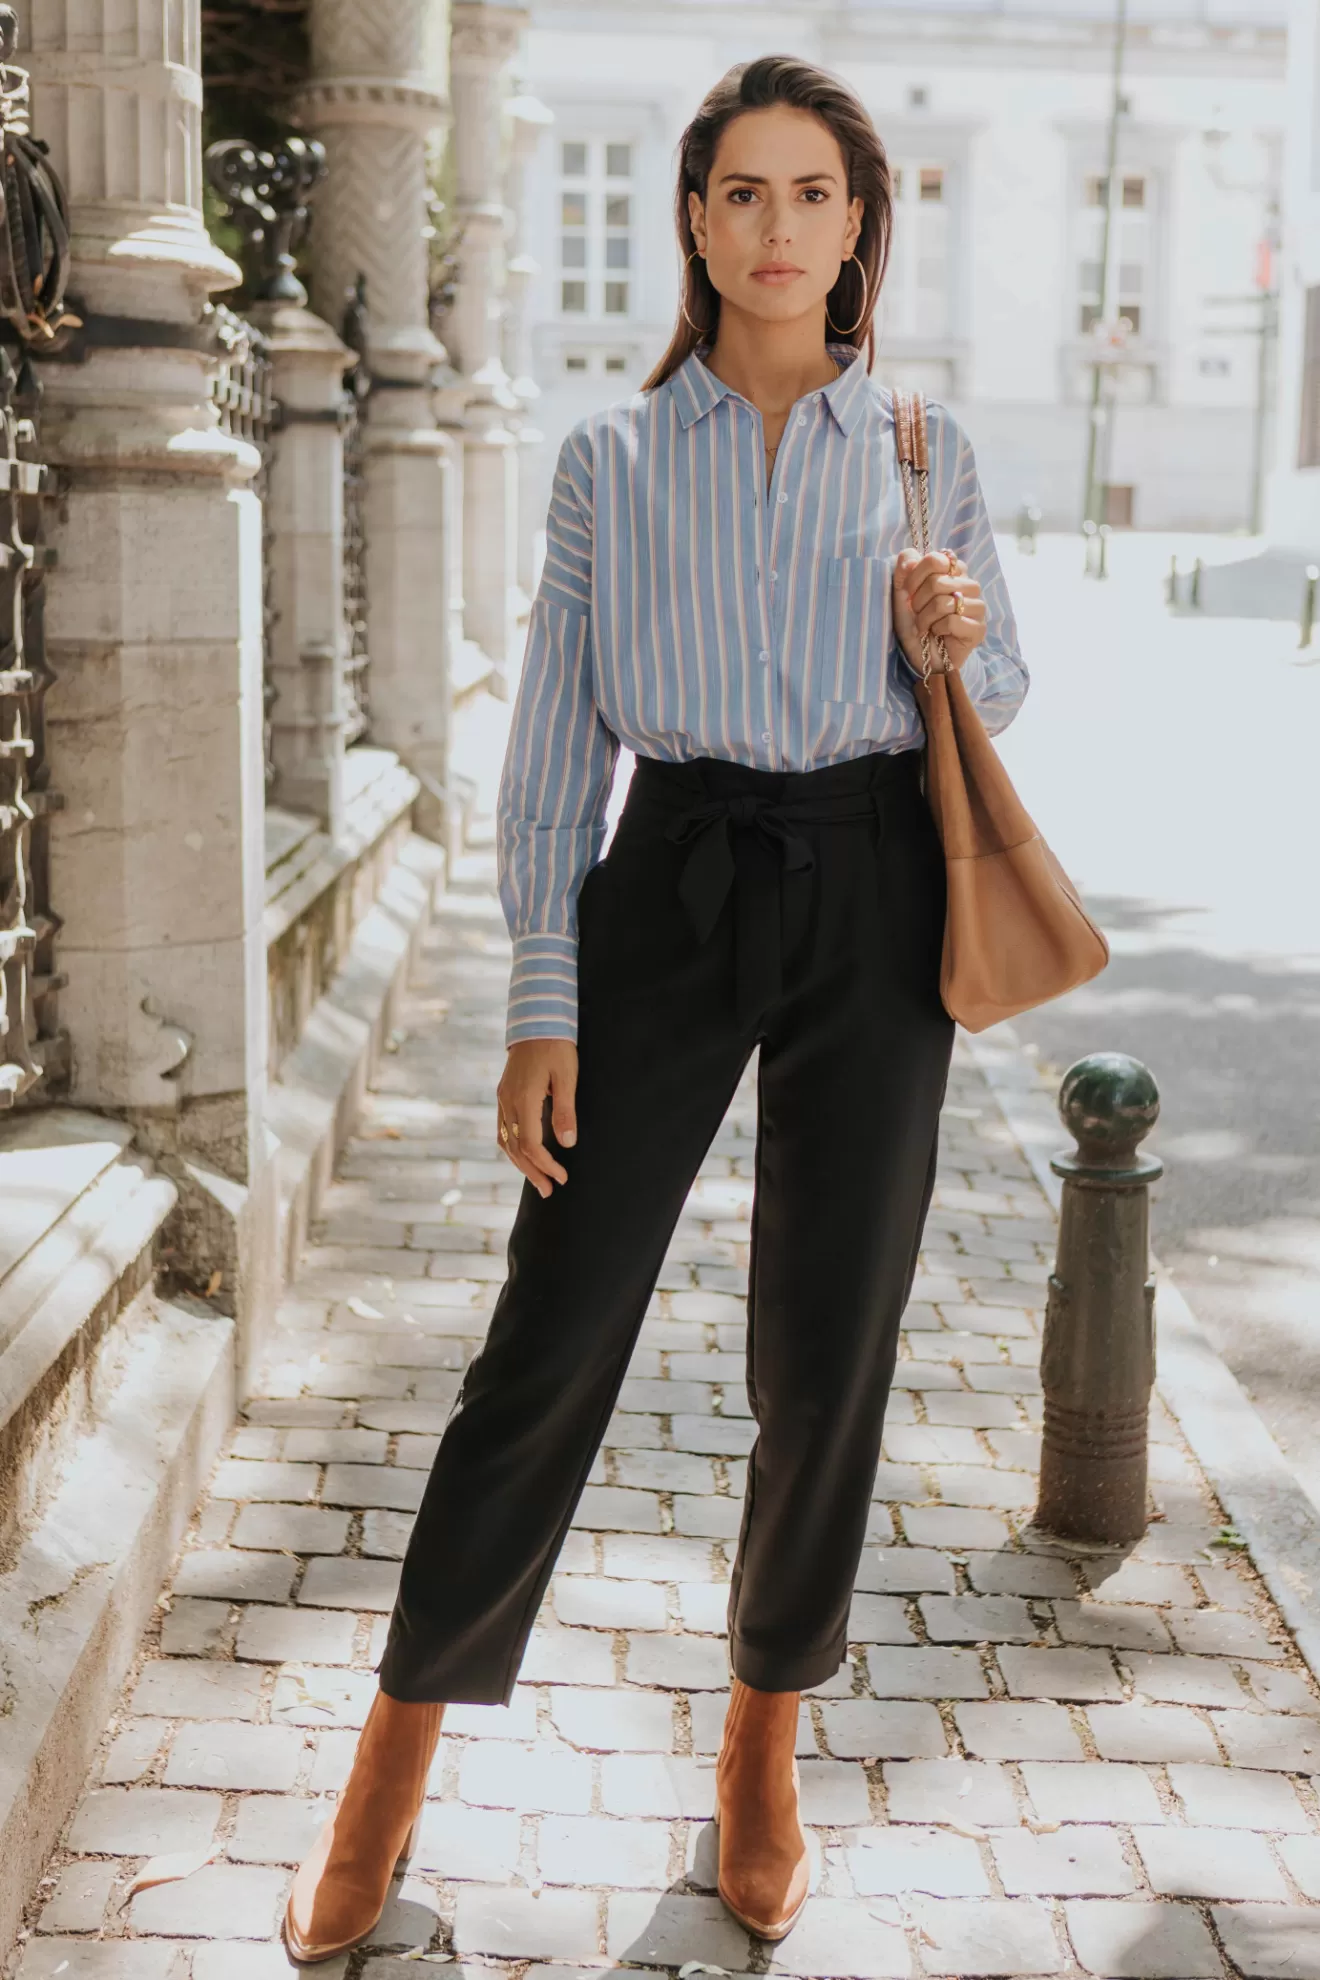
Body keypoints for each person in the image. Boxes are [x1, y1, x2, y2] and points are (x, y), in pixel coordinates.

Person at [284, 52, 1027, 1963]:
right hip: (670, 887)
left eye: (813, 193)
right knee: (554, 1326)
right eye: (741, 193)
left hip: (871, 889)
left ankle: (761, 1747)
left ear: (861, 221)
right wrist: (546, 1001)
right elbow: (553, 758)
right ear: (694, 221)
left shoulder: (926, 447)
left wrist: (952, 639)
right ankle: (390, 1758)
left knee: (827, 1340)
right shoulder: (609, 462)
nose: (777, 228)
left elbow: (999, 689)